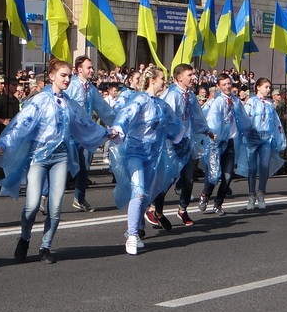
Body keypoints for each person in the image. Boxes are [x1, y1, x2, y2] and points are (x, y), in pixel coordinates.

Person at [0, 58, 114, 264]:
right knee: (32, 205)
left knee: (56, 206)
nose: (67, 79)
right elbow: (21, 125)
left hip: (60, 157)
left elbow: (86, 124)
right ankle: (24, 238)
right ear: (51, 77)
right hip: (38, 157)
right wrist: (4, 143)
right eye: (63, 75)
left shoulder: (70, 104)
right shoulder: (39, 101)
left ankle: (45, 246)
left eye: (69, 75)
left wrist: (106, 132)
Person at [109, 67, 183, 255]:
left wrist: (183, 137)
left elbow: (174, 124)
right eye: (161, 79)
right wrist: (118, 129)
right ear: (152, 81)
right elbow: (126, 115)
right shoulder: (140, 100)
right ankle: (132, 235)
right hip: (135, 153)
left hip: (153, 155)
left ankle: (134, 230)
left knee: (147, 196)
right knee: (139, 192)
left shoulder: (161, 105)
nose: (164, 82)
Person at [146, 64, 211, 231]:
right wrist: (170, 139)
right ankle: (154, 209)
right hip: (172, 144)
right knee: (167, 179)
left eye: (193, 74)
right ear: (179, 77)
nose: (193, 78)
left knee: (188, 179)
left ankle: (182, 209)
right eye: (189, 74)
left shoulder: (190, 96)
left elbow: (197, 116)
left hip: (186, 143)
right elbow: (166, 119)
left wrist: (206, 131)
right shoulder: (172, 95)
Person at [64, 56, 116, 212]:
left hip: (86, 134)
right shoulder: (70, 85)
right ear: (79, 69)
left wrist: (117, 122)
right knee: (61, 166)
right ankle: (44, 196)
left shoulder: (91, 89)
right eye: (89, 67)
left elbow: (103, 108)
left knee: (84, 166)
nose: (92, 70)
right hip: (70, 133)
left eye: (92, 67)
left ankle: (79, 198)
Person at [197, 73, 254, 216]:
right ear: (218, 86)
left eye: (229, 84)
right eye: (224, 84)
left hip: (229, 143)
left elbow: (243, 118)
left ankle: (218, 203)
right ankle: (205, 194)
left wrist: (249, 128)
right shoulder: (216, 102)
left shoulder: (235, 101)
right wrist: (213, 134)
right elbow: (211, 120)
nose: (228, 87)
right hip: (217, 143)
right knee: (214, 174)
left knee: (228, 176)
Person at [242, 78, 287, 210]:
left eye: (269, 87)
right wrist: (248, 132)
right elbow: (246, 119)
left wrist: (279, 138)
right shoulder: (251, 101)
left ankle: (261, 193)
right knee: (252, 168)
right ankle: (251, 195)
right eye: (266, 87)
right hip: (253, 138)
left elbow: (275, 123)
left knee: (264, 166)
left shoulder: (270, 104)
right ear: (258, 87)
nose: (268, 90)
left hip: (266, 139)